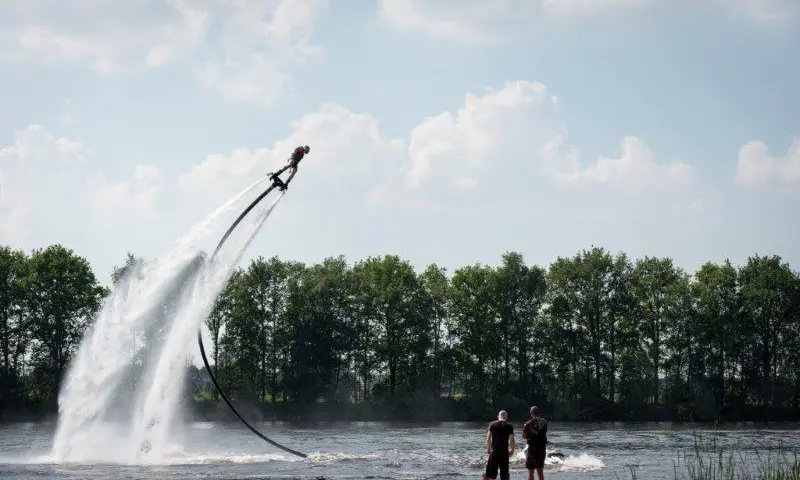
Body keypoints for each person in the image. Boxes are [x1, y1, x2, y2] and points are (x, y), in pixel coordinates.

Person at [482, 410, 515, 480]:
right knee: (504, 474)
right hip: (504, 452)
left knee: (490, 474)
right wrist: (512, 450)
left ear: (498, 416)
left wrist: (488, 448)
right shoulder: (509, 426)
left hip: (494, 452)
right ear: (506, 417)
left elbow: (488, 438)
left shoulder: (492, 424)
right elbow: (512, 439)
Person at [522, 406, 548, 480]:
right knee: (540, 471)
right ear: (539, 413)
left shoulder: (528, 423)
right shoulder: (545, 422)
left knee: (531, 471)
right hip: (541, 448)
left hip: (532, 449)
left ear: (531, 413)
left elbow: (524, 436)